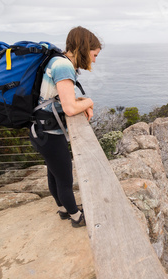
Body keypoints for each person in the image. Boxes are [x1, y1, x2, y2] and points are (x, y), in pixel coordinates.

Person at [29, 26, 102, 228]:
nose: (94, 60)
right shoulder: (63, 66)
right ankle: (76, 216)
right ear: (84, 48)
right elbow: (69, 108)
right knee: (64, 179)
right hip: (50, 133)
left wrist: (82, 100)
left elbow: (58, 99)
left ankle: (63, 208)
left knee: (54, 173)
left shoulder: (56, 60)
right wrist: (89, 102)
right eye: (94, 54)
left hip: (41, 130)